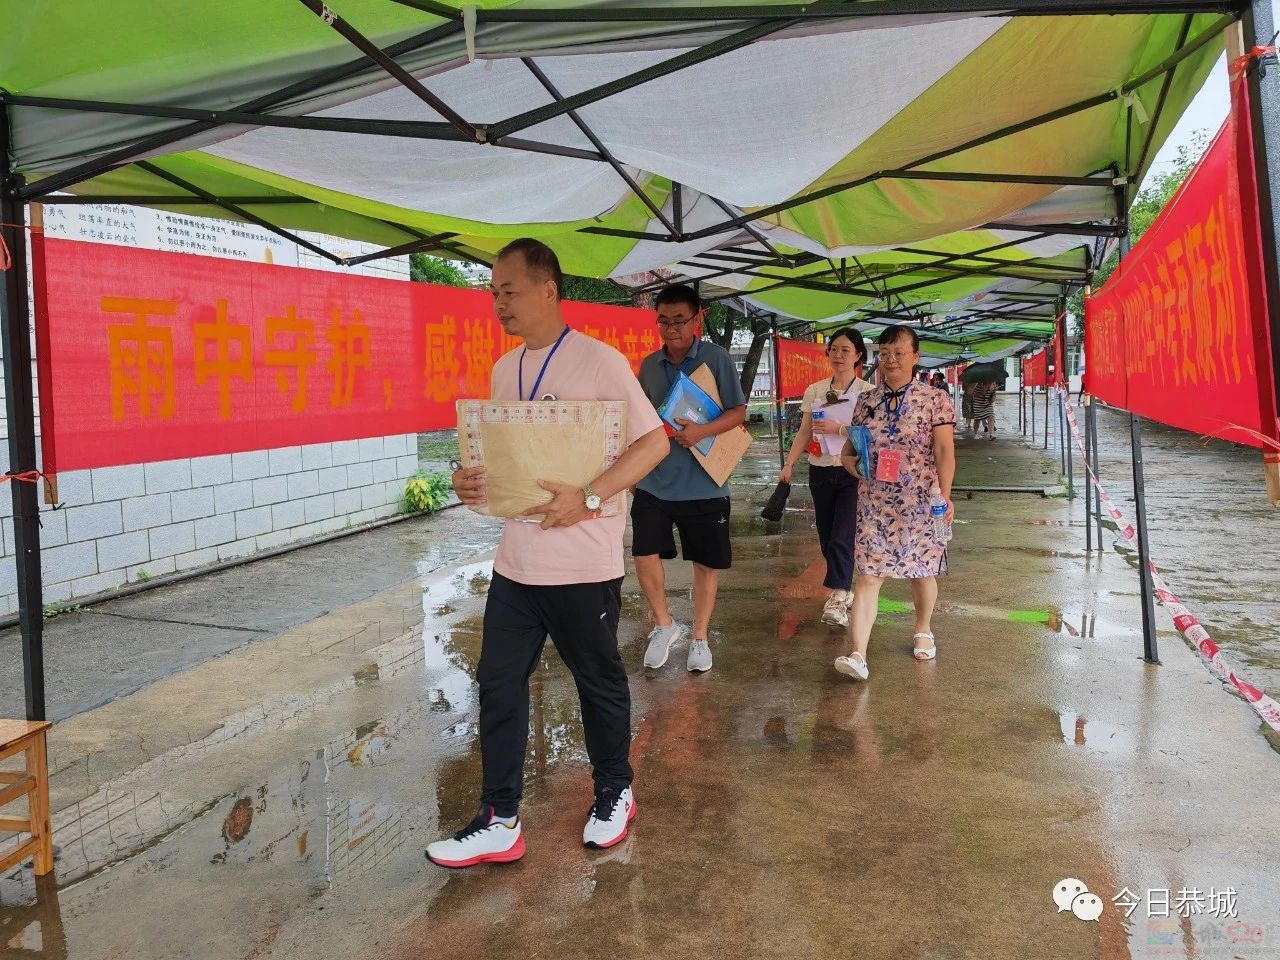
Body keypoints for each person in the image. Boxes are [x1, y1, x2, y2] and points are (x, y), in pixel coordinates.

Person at [427, 239, 669, 868]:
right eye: (493, 293)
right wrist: (467, 480)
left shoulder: (601, 363)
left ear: (549, 290)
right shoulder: (506, 370)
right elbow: (494, 463)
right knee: (499, 684)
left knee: (599, 684)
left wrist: (589, 497)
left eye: (509, 291)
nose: (499, 303)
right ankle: (499, 818)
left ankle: (615, 793)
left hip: (583, 565)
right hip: (517, 562)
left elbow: (654, 445)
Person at [634, 285, 747, 674]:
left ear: (697, 318)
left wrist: (701, 432)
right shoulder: (649, 366)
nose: (671, 329)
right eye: (663, 321)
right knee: (643, 554)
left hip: (705, 482)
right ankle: (664, 625)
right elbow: (642, 420)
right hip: (655, 481)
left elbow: (738, 412)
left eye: (679, 321)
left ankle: (700, 636)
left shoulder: (715, 358)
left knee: (705, 563)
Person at [834, 325, 956, 681]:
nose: (889, 360)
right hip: (875, 502)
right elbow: (849, 450)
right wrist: (850, 462)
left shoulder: (935, 399)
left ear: (915, 357)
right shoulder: (866, 400)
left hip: (921, 501)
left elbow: (945, 451)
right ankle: (857, 653)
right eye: (884, 353)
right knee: (869, 576)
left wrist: (945, 495)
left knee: (921, 571)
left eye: (898, 353)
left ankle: (923, 628)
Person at [778, 328, 873, 627]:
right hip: (820, 469)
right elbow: (805, 430)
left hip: (851, 472)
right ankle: (843, 589)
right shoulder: (816, 390)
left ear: (858, 355)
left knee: (842, 534)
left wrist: (841, 430)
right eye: (834, 349)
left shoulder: (868, 393)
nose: (838, 355)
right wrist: (790, 463)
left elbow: (873, 436)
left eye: (846, 350)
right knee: (826, 535)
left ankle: (838, 594)